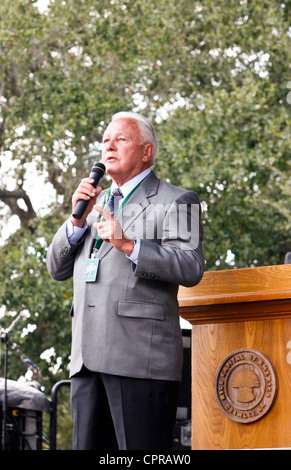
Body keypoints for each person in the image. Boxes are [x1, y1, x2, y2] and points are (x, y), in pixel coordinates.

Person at [46, 111, 204, 450]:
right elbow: (55, 268)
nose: (109, 147)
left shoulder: (178, 200)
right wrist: (75, 222)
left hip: (140, 360)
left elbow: (191, 266)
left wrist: (129, 245)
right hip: (86, 360)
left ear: (146, 151)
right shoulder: (94, 204)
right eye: (105, 141)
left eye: (120, 139)